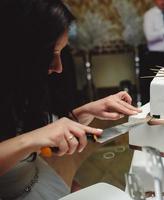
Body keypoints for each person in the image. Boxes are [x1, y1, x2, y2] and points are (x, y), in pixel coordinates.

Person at [0, 0, 141, 199]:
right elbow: (32, 137)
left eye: (61, 52)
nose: (58, 67)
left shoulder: (22, 84)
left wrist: (85, 112)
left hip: (39, 182)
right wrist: (32, 139)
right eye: (51, 53)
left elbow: (43, 134)